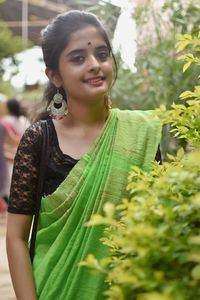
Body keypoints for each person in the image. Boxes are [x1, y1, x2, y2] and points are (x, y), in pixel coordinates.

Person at [6, 10, 162, 300]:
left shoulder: (141, 133)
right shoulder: (40, 138)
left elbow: (157, 223)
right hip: (53, 289)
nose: (94, 64)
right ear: (54, 75)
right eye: (78, 58)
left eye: (102, 54)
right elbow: (15, 237)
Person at [2, 98, 30, 200]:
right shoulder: (25, 120)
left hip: (9, 155)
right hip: (25, 153)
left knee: (10, 181)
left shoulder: (5, 121)